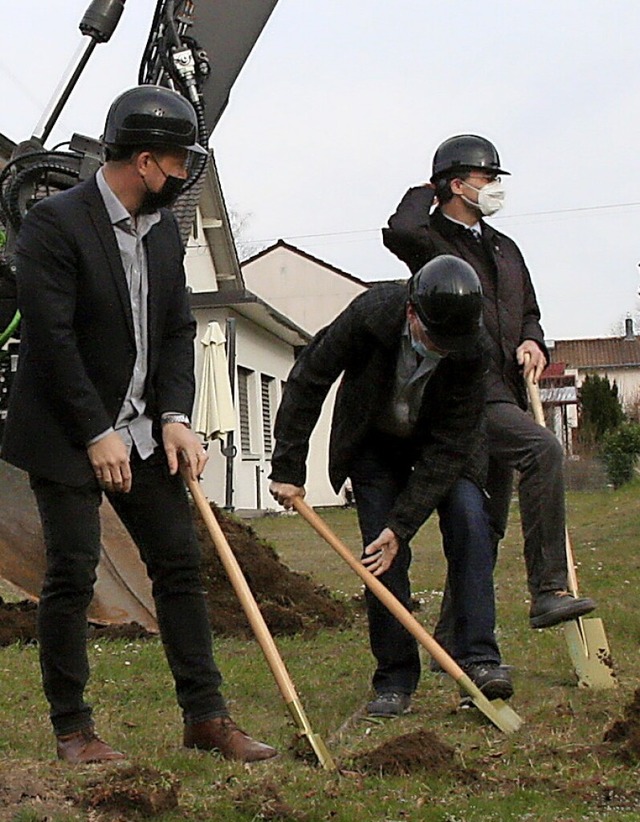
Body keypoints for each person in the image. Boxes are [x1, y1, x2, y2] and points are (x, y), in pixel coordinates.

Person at [0, 85, 277, 765]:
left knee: (178, 565)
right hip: (66, 430)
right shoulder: (54, 224)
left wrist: (178, 416)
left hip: (144, 431)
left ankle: (205, 717)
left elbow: (179, 330)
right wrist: (95, 431)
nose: (184, 177)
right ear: (147, 162)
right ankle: (74, 730)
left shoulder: (161, 237)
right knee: (72, 570)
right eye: (180, 163)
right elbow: (52, 338)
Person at [269, 255, 513, 718]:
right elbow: (309, 379)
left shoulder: (471, 347)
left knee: (470, 525)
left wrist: (402, 526)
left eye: (450, 343)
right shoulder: (371, 314)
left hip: (442, 450)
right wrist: (288, 466)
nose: (442, 349)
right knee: (380, 559)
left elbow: (451, 447)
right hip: (375, 446)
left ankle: (480, 660)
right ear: (412, 313)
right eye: (434, 339)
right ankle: (395, 680)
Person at [382, 134, 596, 637]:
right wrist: (429, 189)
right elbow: (399, 228)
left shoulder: (505, 248)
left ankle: (452, 631)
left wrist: (532, 341)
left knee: (488, 523)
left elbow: (529, 312)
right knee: (543, 450)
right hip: (465, 393)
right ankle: (548, 589)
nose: (496, 187)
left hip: (507, 389)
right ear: (457, 184)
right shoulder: (431, 239)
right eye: (488, 178)